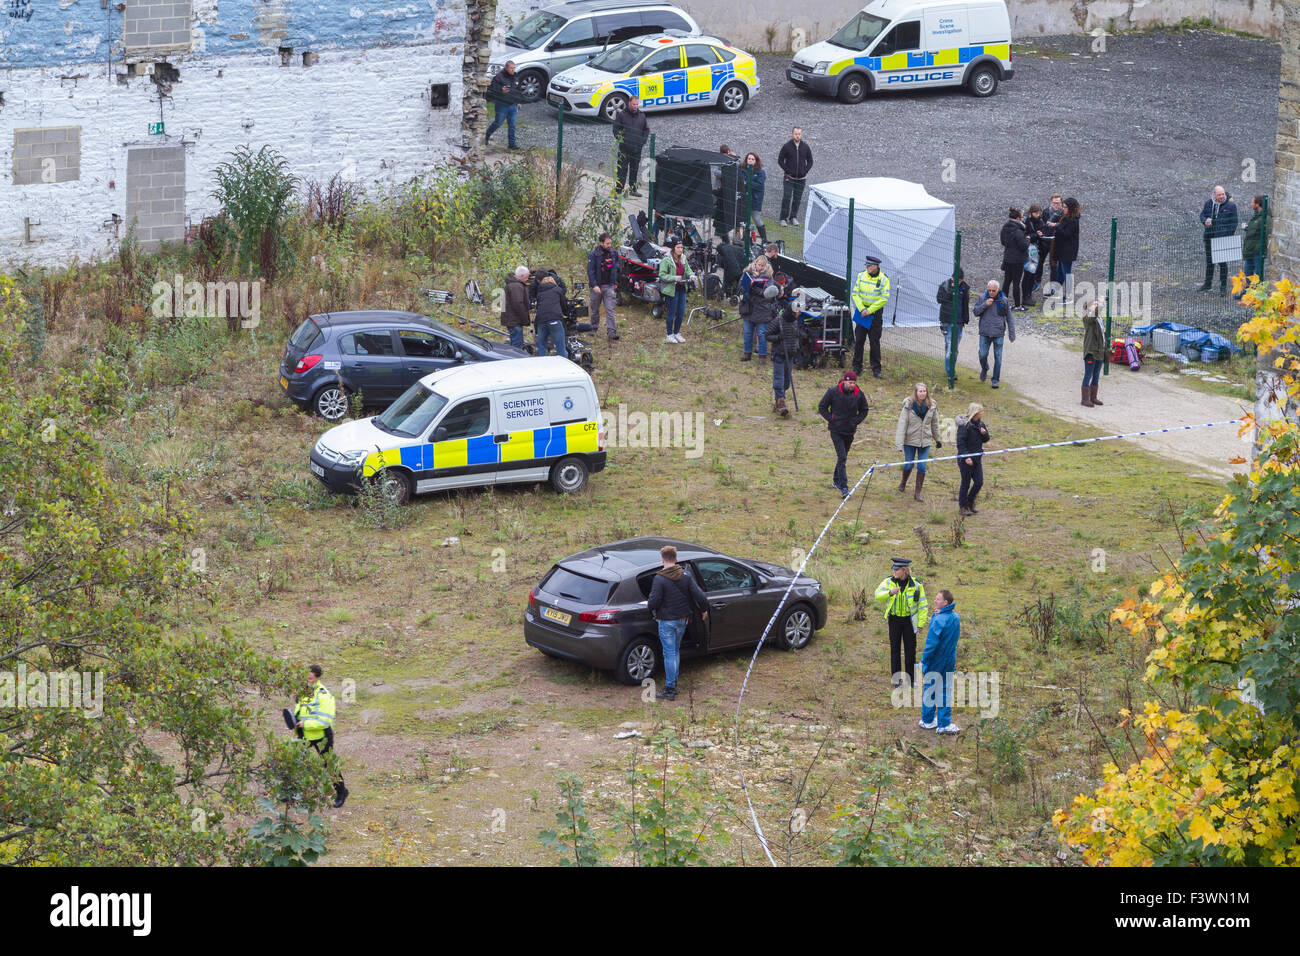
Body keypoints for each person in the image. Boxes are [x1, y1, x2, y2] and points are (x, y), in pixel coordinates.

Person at [646, 544, 708, 701]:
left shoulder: (659, 579)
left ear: (662, 559)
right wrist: (704, 610)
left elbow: (653, 602)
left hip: (666, 621)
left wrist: (650, 608)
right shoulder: (686, 576)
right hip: (683, 620)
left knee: (669, 653)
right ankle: (673, 682)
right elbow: (700, 596)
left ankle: (669, 689)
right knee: (675, 650)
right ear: (676, 559)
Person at [290, 663, 349, 807]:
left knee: (329, 765)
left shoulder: (325, 696)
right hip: (304, 734)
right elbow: (299, 710)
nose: (307, 680)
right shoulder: (303, 692)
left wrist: (306, 724)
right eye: (306, 678)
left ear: (318, 678)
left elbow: (325, 720)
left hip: (322, 736)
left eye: (310, 678)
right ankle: (290, 792)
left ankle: (341, 792)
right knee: (294, 761)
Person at [874, 557, 929, 689]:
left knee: (911, 650)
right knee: (895, 650)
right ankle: (896, 679)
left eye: (896, 569)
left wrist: (920, 624)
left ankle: (911, 679)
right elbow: (877, 595)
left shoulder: (916, 585)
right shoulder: (888, 582)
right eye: (893, 569)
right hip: (894, 620)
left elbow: (922, 605)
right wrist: (889, 593)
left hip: (909, 622)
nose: (894, 571)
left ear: (904, 570)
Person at [818, 369, 868, 498]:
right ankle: (844, 487)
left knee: (843, 456)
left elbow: (864, 410)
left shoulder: (859, 394)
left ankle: (836, 480)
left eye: (854, 382)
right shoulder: (833, 392)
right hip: (836, 430)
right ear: (845, 382)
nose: (852, 385)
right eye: (850, 382)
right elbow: (822, 407)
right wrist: (832, 419)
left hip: (850, 431)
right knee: (842, 458)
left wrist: (855, 421)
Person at [918, 589, 961, 735]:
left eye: (938, 599)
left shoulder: (939, 619)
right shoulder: (955, 617)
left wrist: (924, 659)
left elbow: (931, 643)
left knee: (931, 688)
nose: (935, 601)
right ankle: (943, 723)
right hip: (949, 658)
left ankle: (928, 720)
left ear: (945, 603)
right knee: (945, 689)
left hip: (936, 659)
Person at [894, 382, 942, 503]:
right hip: (910, 440)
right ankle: (903, 483)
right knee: (909, 464)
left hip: (925, 441)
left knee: (922, 466)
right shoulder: (908, 405)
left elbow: (935, 423)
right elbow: (902, 424)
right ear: (916, 393)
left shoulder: (932, 405)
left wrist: (938, 439)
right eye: (920, 391)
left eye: (924, 391)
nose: (922, 393)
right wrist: (899, 443)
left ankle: (917, 493)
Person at [850, 255, 890, 379]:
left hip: (875, 314)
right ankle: (857, 367)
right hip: (862, 312)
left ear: (876, 267)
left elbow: (884, 298)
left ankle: (876, 369)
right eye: (867, 265)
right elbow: (855, 293)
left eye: (870, 266)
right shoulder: (861, 275)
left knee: (874, 342)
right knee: (859, 340)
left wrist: (870, 310)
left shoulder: (884, 279)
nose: (867, 267)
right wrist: (862, 309)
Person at [973, 279, 1015, 388]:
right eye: (989, 290)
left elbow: (1009, 318)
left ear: (998, 290)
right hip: (985, 332)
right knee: (982, 354)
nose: (991, 292)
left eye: (993, 290)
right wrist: (985, 305)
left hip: (998, 333)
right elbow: (975, 312)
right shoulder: (982, 298)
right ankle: (985, 368)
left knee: (998, 358)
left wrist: (1012, 334)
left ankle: (995, 380)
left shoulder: (1004, 301)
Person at [766, 283, 800, 417]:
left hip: (790, 355)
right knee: (779, 380)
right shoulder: (778, 321)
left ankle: (778, 399)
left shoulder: (795, 322)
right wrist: (778, 338)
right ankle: (781, 403)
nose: (798, 315)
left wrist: (796, 347)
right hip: (779, 354)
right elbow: (767, 335)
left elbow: (796, 335)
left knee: (786, 382)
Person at [1198, 185, 1239, 295]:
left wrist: (1227, 235)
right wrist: (1204, 221)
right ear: (1214, 194)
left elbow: (1234, 223)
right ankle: (1207, 284)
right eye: (1219, 194)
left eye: (1223, 194)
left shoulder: (1231, 206)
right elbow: (1202, 215)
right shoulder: (1208, 203)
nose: (1221, 196)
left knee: (1222, 262)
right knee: (1210, 262)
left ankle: (1223, 287)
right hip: (1209, 236)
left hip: (1222, 239)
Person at [737, 254, 775, 361]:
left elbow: (768, 292)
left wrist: (755, 290)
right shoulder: (747, 273)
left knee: (762, 333)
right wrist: (747, 287)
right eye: (759, 265)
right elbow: (740, 286)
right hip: (748, 307)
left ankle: (762, 356)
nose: (760, 267)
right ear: (755, 263)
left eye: (763, 266)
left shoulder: (769, 276)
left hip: (762, 309)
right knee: (747, 332)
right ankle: (747, 353)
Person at [936, 269, 971, 383]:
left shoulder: (965, 288)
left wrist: (965, 320)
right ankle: (950, 370)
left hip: (959, 323)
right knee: (950, 346)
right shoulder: (945, 286)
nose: (957, 282)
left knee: (954, 349)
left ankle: (951, 368)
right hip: (947, 321)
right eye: (955, 280)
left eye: (959, 280)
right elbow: (939, 299)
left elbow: (965, 304)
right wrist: (952, 292)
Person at [657, 240, 695, 343]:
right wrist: (674, 278)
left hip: (682, 288)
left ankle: (677, 333)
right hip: (671, 290)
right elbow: (662, 275)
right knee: (671, 312)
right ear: (673, 248)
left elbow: (687, 270)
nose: (680, 249)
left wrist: (691, 275)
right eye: (678, 247)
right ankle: (669, 334)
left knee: (681, 312)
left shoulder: (683, 258)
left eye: (681, 247)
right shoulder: (666, 259)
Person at [955, 402, 989, 516]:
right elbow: (960, 443)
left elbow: (986, 439)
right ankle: (962, 506)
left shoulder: (981, 424)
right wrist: (966, 456)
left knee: (979, 482)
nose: (982, 413)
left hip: (977, 458)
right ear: (975, 413)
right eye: (981, 411)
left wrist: (984, 434)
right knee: (965, 483)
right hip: (965, 459)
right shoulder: (964, 426)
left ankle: (970, 501)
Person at [587, 232, 621, 341]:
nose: (609, 245)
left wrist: (615, 282)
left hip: (609, 286)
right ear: (601, 243)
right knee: (594, 309)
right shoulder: (594, 254)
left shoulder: (613, 253)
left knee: (610, 309)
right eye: (607, 243)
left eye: (610, 243)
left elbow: (616, 268)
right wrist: (594, 285)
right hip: (597, 287)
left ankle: (611, 331)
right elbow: (590, 271)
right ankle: (593, 327)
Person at [612, 97, 649, 196]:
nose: (635, 106)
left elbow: (646, 130)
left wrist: (642, 142)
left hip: (637, 149)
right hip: (624, 149)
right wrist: (621, 140)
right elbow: (615, 129)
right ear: (629, 103)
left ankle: (633, 189)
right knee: (622, 170)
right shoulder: (622, 115)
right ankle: (619, 190)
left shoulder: (642, 116)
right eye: (633, 104)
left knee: (634, 169)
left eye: (637, 104)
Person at [777, 126, 813, 226]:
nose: (797, 136)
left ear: (801, 135)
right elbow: (780, 160)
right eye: (796, 134)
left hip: (801, 179)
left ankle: (793, 217)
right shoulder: (786, 146)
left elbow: (810, 161)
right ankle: (783, 218)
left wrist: (805, 171)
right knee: (787, 197)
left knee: (797, 198)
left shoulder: (805, 147)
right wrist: (787, 171)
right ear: (792, 134)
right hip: (789, 177)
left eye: (799, 134)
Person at [485, 61, 522, 150]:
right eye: (511, 68)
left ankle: (512, 144)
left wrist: (518, 101)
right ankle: (486, 135)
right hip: (502, 104)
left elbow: (517, 90)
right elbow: (491, 88)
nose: (513, 70)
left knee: (512, 125)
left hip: (512, 105)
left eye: (514, 68)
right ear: (506, 68)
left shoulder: (515, 77)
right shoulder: (499, 77)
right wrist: (501, 90)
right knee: (498, 123)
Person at [999, 207, 1031, 311]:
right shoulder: (1018, 231)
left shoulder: (1005, 228)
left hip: (1007, 257)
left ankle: (1003, 303)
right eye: (1022, 217)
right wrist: (1027, 239)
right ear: (1018, 218)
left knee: (1007, 281)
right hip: (1017, 260)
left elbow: (1003, 242)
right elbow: (1023, 246)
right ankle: (1018, 305)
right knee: (1016, 283)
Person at [1052, 197, 1082, 299]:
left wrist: (1056, 226)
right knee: (1060, 272)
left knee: (1066, 273)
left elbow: (1067, 234)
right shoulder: (1067, 218)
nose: (1063, 208)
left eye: (1065, 207)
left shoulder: (1073, 220)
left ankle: (1068, 295)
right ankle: (1056, 291)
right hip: (1063, 250)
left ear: (1071, 208)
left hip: (1067, 251)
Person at [1080, 298, 1106, 407]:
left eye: (1097, 304)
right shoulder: (1087, 318)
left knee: (1096, 375)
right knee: (1088, 375)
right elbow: (1093, 314)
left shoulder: (1098, 318)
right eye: (1094, 304)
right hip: (1091, 351)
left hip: (1100, 351)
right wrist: (1101, 304)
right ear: (1088, 307)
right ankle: (1084, 399)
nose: (1096, 306)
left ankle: (1093, 397)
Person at [534, 274, 567, 358]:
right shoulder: (558, 290)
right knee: (560, 346)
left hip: (541, 321)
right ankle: (564, 365)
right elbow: (564, 304)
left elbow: (537, 307)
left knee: (541, 346)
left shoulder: (540, 293)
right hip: (554, 319)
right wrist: (566, 314)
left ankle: (541, 365)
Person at [1240, 194, 1265, 298]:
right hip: (1251, 249)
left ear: (1257, 204)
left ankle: (1256, 295)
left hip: (1257, 250)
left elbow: (1257, 231)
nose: (1251, 204)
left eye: (1252, 202)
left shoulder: (1263, 217)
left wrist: (1247, 228)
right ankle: (1246, 294)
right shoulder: (1257, 215)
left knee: (1257, 274)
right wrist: (1248, 227)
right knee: (1248, 272)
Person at [1023, 203, 1049, 304]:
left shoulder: (1040, 221)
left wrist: (1041, 234)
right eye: (1036, 213)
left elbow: (1042, 231)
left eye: (1039, 213)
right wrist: (1037, 235)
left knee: (1033, 273)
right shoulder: (1027, 222)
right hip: (1030, 250)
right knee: (1028, 273)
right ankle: (1026, 296)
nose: (1038, 215)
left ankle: (1028, 294)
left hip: (1038, 249)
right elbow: (1026, 236)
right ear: (1031, 213)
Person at [501, 265, 531, 349]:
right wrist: (525, 319)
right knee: (517, 346)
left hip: (512, 319)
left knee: (515, 342)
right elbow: (518, 303)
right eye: (527, 277)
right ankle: (515, 360)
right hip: (514, 320)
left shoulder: (513, 285)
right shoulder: (516, 286)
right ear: (521, 276)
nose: (527, 279)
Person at [742, 151, 768, 243]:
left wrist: (747, 183)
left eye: (752, 159)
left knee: (756, 218)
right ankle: (745, 237)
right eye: (749, 159)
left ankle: (764, 239)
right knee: (744, 219)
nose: (750, 160)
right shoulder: (742, 170)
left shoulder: (761, 172)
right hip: (744, 198)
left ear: (756, 161)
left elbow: (760, 185)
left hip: (755, 199)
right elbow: (741, 182)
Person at [717, 229, 747, 298]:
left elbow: (719, 247)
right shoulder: (743, 251)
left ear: (732, 243)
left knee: (727, 279)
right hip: (740, 271)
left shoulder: (728, 248)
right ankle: (735, 294)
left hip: (729, 271)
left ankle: (725, 291)